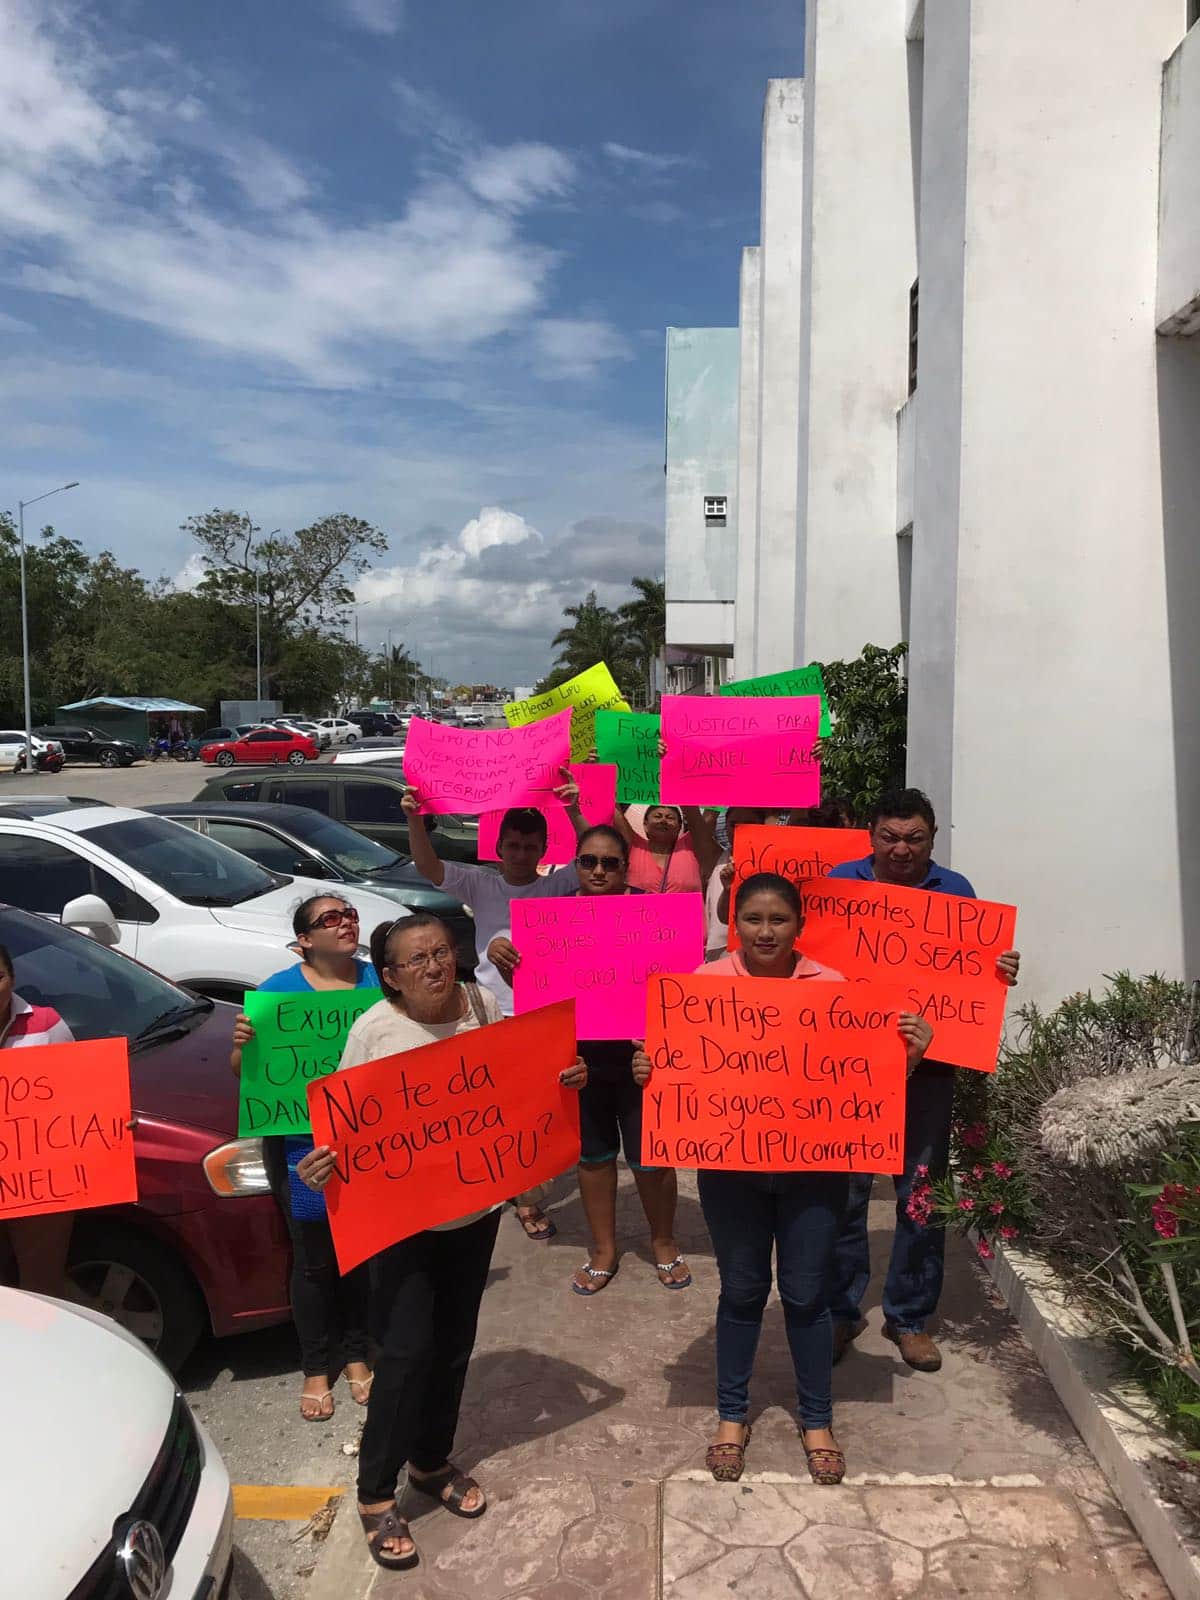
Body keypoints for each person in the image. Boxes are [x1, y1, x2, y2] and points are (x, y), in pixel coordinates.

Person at [297, 913, 587, 1570]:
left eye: (441, 952)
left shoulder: (483, 1006)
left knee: (454, 1346)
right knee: (403, 1354)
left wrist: (565, 1080)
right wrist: (322, 1164)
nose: (435, 966)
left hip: (473, 1214)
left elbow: (520, 1085)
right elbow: (341, 1131)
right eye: (417, 959)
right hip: (402, 1226)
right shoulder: (375, 1031)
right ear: (392, 976)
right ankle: (376, 1493)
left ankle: (430, 1461)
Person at [633, 873, 933, 1486]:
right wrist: (650, 1071)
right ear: (734, 923)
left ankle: (817, 1419)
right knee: (741, 1293)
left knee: (806, 1296)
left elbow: (862, 1083)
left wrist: (912, 1054)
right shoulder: (701, 988)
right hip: (730, 1175)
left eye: (778, 920)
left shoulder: (836, 988)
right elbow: (679, 1074)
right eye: (753, 920)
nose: (765, 931)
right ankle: (732, 1416)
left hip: (813, 1177)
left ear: (800, 925)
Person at [827, 788, 1020, 1373]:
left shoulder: (956, 892)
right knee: (845, 1194)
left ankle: (908, 1317)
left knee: (919, 1192)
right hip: (850, 1069)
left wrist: (999, 971)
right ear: (871, 836)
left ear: (932, 837)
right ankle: (840, 1312)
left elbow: (971, 973)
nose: (901, 848)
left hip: (929, 1071)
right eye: (890, 836)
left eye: (914, 837)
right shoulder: (841, 882)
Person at [489, 824, 692, 1295]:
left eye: (610, 862)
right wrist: (502, 953)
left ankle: (664, 1241)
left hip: (643, 1055)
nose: (598, 870)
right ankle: (604, 1249)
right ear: (575, 865)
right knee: (594, 1155)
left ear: (626, 867)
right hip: (578, 1059)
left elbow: (683, 982)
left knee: (651, 1157)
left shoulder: (654, 914)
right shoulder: (548, 919)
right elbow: (528, 982)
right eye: (588, 861)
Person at [401, 778, 584, 1243]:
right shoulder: (479, 882)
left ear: (543, 849)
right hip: (485, 1013)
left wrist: (575, 807)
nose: (521, 854)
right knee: (486, 1109)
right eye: (514, 846)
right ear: (498, 847)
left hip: (542, 1016)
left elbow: (592, 854)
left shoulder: (560, 885)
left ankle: (523, 1195)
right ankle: (498, 1188)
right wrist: (414, 818)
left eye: (530, 846)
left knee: (531, 1111)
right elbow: (429, 866)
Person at [229, 894, 376, 1422]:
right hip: (298, 1145)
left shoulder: (379, 982)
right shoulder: (275, 994)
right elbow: (246, 1073)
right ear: (305, 940)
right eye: (330, 919)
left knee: (361, 1251)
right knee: (313, 1258)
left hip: (368, 1141)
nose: (346, 923)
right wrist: (243, 1043)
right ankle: (317, 1365)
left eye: (350, 914)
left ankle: (358, 1355)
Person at [0, 944, 76, 1295]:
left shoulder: (47, 1024)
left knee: (39, 1288)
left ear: (12, 979)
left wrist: (114, 1125)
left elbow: (80, 1097)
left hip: (37, 1184)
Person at [611, 802, 721, 896]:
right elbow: (615, 811)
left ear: (679, 826)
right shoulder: (633, 847)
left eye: (670, 818)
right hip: (639, 919)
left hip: (686, 920)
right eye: (657, 816)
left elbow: (711, 813)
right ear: (645, 824)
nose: (663, 821)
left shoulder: (691, 847)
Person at [704, 806, 771, 958]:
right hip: (721, 953)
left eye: (749, 823)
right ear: (725, 826)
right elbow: (702, 824)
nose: (740, 829)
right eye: (733, 824)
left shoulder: (777, 862)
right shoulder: (715, 858)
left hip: (765, 951)